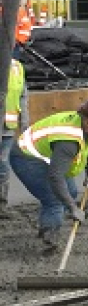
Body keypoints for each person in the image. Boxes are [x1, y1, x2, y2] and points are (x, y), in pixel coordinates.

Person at [10, 96, 88, 249]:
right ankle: (49, 241)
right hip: (26, 156)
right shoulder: (68, 140)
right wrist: (72, 208)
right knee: (55, 199)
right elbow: (56, 177)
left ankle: (46, 225)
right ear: (82, 117)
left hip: (46, 154)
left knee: (71, 191)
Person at [1, 48, 29, 217]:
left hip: (7, 127)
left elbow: (23, 97)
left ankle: (1, 205)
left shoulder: (17, 67)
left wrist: (25, 125)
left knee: (3, 167)